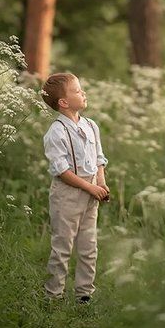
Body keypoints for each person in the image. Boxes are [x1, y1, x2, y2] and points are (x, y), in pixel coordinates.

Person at [41, 72, 110, 303]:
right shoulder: (57, 132)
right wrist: (89, 188)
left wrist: (100, 183)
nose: (84, 93)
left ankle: (84, 294)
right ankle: (54, 296)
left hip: (91, 193)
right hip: (67, 196)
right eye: (78, 91)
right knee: (62, 247)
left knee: (89, 247)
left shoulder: (91, 126)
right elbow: (62, 171)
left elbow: (99, 158)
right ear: (63, 102)